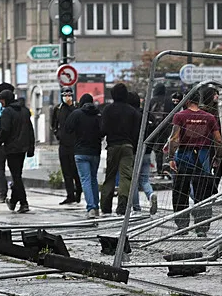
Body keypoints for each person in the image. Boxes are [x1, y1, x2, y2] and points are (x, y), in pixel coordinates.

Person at [167, 91, 222, 236]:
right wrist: (218, 157)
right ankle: (202, 228)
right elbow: (218, 140)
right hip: (203, 157)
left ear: (186, 101)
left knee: (181, 191)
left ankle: (182, 226)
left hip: (184, 155)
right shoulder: (210, 117)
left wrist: (171, 158)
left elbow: (174, 139)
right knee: (203, 193)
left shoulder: (180, 116)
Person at [100, 83, 140, 215]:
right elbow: (136, 132)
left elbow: (103, 130)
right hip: (128, 146)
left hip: (112, 146)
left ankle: (106, 206)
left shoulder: (107, 109)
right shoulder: (132, 111)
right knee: (125, 176)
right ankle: (122, 205)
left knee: (110, 176)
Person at [0, 89, 35, 213]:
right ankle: (13, 201)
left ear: (7, 99)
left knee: (16, 177)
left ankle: (24, 202)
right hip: (22, 148)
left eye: (2, 99)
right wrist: (31, 147)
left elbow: (5, 130)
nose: (0, 102)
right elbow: (30, 130)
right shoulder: (25, 111)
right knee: (17, 175)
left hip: (12, 148)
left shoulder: (7, 112)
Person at [65, 94, 104, 218]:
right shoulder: (98, 114)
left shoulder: (77, 114)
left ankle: (91, 207)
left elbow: (67, 128)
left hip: (80, 152)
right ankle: (96, 207)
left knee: (85, 180)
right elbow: (103, 132)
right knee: (93, 179)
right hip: (95, 152)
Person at [50, 88, 82, 205]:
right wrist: (57, 134)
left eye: (69, 95)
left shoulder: (76, 108)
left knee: (75, 171)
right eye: (65, 95)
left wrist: (71, 106)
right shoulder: (58, 109)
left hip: (75, 144)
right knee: (66, 171)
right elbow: (53, 125)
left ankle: (78, 191)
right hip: (63, 144)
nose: (67, 97)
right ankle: (70, 195)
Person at [128, 91, 158, 214]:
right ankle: (150, 195)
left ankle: (136, 207)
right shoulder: (149, 115)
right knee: (145, 179)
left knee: (133, 181)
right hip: (147, 152)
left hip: (134, 151)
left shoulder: (131, 115)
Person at [0, 82, 14, 202]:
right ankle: (15, 190)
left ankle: (2, 193)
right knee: (14, 170)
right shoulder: (16, 108)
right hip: (12, 142)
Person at [149, 83, 175, 175]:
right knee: (167, 148)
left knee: (157, 149)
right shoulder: (169, 100)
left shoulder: (151, 100)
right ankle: (167, 168)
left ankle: (159, 169)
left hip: (154, 129)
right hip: (167, 128)